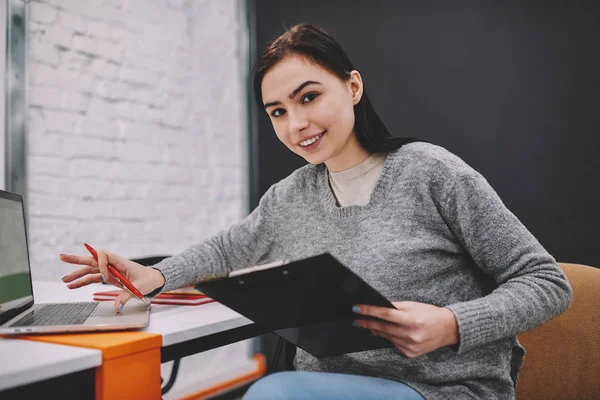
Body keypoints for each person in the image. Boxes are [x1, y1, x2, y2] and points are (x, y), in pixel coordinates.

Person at [60, 23, 572, 399]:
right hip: (326, 386)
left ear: (352, 87)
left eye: (309, 97)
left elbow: (546, 282)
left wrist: (451, 323)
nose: (295, 124)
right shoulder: (291, 194)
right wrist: (153, 275)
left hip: (440, 390)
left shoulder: (430, 172)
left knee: (273, 395)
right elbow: (226, 249)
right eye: (278, 112)